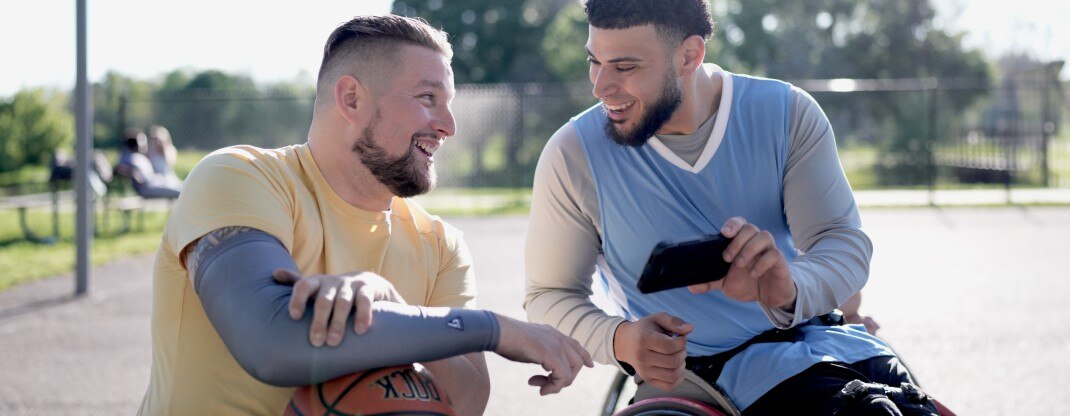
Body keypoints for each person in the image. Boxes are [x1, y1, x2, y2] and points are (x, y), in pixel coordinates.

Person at [138, 15, 591, 415]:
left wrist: (391, 303)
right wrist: (491, 329)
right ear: (351, 98)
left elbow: (467, 401)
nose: (449, 125)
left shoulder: (440, 244)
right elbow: (270, 343)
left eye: (449, 103)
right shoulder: (242, 177)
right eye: (428, 98)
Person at [524, 1, 935, 414]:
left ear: (689, 55)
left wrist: (788, 287)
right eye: (595, 61)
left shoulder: (787, 113)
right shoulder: (573, 153)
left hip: (822, 346)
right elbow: (548, 293)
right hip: (698, 377)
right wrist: (619, 339)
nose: (600, 86)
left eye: (625, 67)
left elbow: (842, 243)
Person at [115, 127, 182, 199]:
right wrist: (132, 172)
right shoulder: (131, 157)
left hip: (157, 181)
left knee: (182, 186)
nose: (146, 143)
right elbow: (118, 169)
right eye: (142, 141)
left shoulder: (139, 156)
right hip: (149, 186)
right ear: (136, 143)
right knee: (181, 191)